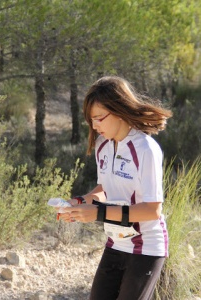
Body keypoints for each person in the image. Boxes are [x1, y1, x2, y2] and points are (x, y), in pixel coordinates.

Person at [58, 75, 172, 300]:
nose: (94, 125)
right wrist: (79, 203)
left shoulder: (146, 149)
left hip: (146, 248)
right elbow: (105, 188)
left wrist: (98, 213)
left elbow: (152, 210)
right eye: (91, 119)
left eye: (99, 117)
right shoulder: (103, 145)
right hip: (116, 243)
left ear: (119, 110)